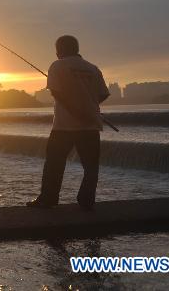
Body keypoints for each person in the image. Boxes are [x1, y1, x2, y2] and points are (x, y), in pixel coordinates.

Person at [27, 35, 110, 210]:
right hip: (90, 125)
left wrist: (76, 111)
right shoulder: (93, 68)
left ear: (61, 50)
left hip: (64, 126)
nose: (56, 53)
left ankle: (48, 199)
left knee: (54, 163)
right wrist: (88, 107)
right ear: (77, 48)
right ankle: (86, 201)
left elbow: (57, 93)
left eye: (57, 49)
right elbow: (102, 94)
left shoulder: (57, 66)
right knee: (91, 166)